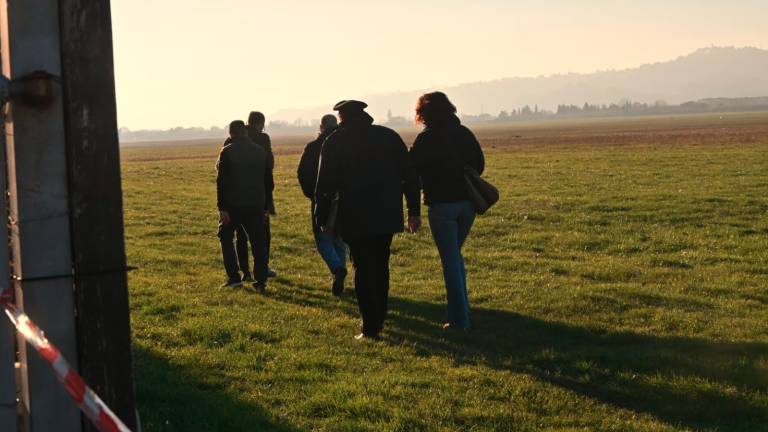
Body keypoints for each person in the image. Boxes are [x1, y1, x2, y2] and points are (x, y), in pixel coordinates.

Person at [315, 100, 421, 339]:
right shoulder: (388, 136)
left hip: (355, 213)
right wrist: (414, 210)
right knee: (381, 264)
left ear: (342, 117)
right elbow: (409, 175)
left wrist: (321, 215)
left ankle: (370, 326)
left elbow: (325, 183)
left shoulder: (335, 141)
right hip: (387, 212)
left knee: (361, 265)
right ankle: (380, 316)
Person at [409, 92, 484, 331]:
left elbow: (412, 172)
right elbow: (479, 165)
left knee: (450, 261)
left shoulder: (426, 139)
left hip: (442, 206)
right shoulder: (464, 133)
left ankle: (459, 321)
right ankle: (462, 311)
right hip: (468, 205)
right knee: (455, 257)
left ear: (424, 113)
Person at [216, 120, 272, 291]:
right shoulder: (260, 151)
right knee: (258, 242)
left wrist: (222, 208)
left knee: (226, 237)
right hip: (256, 204)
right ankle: (261, 280)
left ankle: (234, 277)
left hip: (233, 205)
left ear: (231, 133)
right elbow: (268, 181)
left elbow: (221, 182)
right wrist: (266, 206)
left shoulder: (227, 151)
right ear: (245, 132)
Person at [298, 114, 348, 296]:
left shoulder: (312, 147)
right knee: (340, 240)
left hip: (322, 199)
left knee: (323, 239)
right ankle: (341, 272)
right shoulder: (346, 145)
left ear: (321, 126)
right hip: (344, 199)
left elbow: (302, 174)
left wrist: (312, 194)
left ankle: (337, 270)